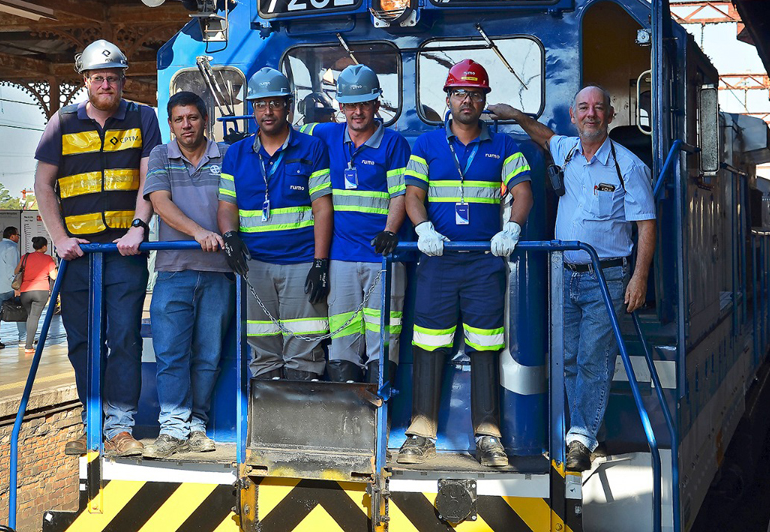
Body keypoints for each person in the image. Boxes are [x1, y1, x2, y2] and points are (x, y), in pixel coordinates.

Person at [489, 85, 657, 472]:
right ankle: (572, 430)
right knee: (566, 357)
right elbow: (543, 136)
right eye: (584, 108)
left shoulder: (628, 166)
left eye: (599, 107)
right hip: (563, 274)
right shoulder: (567, 151)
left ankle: (582, 437)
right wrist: (515, 114)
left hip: (606, 276)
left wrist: (640, 278)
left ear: (611, 116)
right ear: (573, 115)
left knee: (592, 360)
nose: (591, 114)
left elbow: (646, 226)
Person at [397, 59, 533, 467]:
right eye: (460, 93)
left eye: (474, 94)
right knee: (428, 344)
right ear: (448, 99)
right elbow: (412, 195)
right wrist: (422, 229)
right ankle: (421, 433)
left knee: (485, 346)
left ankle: (488, 437)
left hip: (484, 263)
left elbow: (523, 193)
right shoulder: (426, 145)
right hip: (438, 262)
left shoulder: (504, 145)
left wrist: (513, 229)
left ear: (484, 100)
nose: (467, 100)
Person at [34, 39, 162, 457]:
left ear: (124, 80)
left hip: (124, 253)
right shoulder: (62, 122)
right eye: (98, 77)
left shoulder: (144, 117)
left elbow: (150, 179)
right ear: (86, 81)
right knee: (83, 342)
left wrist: (138, 228)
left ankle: (120, 429)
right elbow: (43, 185)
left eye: (113, 77)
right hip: (78, 256)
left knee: (124, 338)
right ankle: (93, 423)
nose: (106, 83)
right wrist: (60, 238)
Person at [218, 67, 333, 380]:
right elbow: (227, 205)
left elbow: (323, 208)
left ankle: (303, 424)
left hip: (301, 264)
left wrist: (320, 264)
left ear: (289, 106)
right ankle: (269, 428)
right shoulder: (236, 154)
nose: (267, 111)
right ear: (252, 109)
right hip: (254, 265)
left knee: (305, 350)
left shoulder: (312, 148)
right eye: (260, 104)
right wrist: (229, 236)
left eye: (275, 103)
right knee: (263, 350)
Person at [301, 65, 411, 383]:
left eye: (364, 103)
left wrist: (390, 231)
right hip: (340, 259)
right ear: (341, 106)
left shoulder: (394, 144)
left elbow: (399, 194)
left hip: (383, 258)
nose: (357, 111)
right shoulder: (325, 135)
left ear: (377, 104)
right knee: (342, 339)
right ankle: (346, 419)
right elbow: (289, 135)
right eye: (350, 104)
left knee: (384, 336)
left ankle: (380, 418)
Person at [142, 91, 234, 459]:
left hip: (218, 273)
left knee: (208, 355)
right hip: (173, 270)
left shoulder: (226, 155)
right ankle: (173, 428)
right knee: (170, 353)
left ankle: (196, 425)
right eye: (179, 119)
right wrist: (199, 233)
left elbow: (233, 202)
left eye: (192, 118)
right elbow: (160, 203)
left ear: (205, 119)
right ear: (170, 124)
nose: (186, 125)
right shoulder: (162, 156)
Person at [17, 236, 58, 354]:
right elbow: (54, 276)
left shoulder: (25, 257)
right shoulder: (48, 259)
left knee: (30, 317)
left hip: (25, 291)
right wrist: (54, 265)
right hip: (41, 292)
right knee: (34, 318)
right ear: (44, 246)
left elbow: (16, 271)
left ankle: (28, 341)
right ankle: (28, 346)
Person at [0, 226, 22, 350]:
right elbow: (11, 269)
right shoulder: (11, 248)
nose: (18, 238)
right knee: (21, 310)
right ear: (12, 236)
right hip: (8, 286)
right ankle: (23, 338)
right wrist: (16, 286)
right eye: (18, 235)